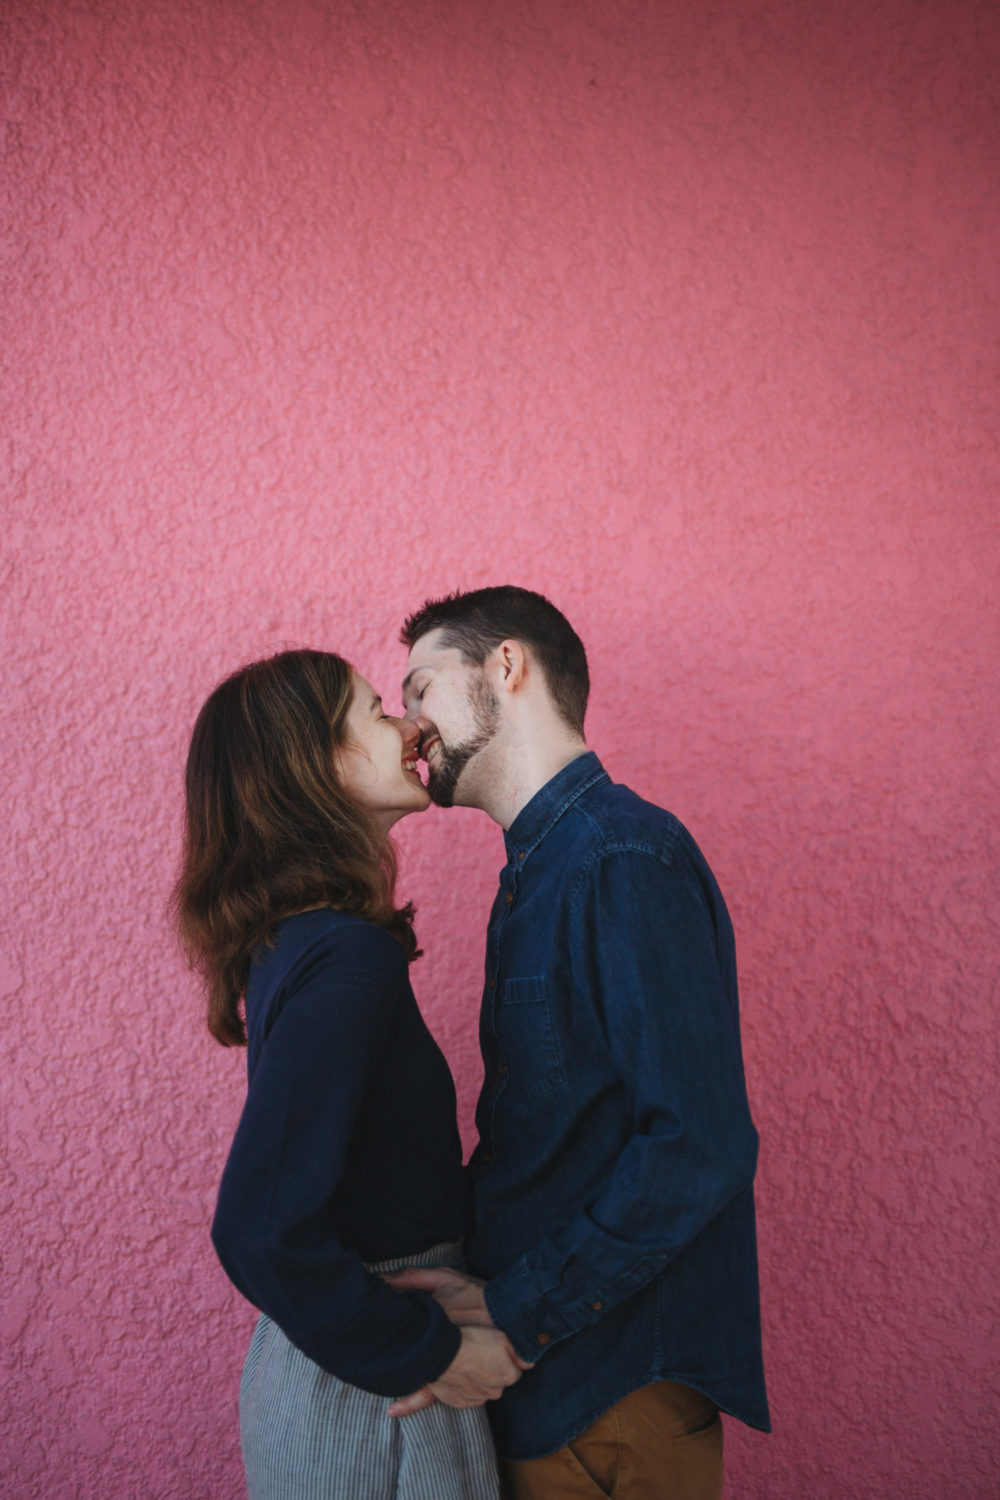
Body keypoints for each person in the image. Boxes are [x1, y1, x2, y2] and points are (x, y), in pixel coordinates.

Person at [387, 588, 770, 1500]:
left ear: (507, 667)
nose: (409, 727)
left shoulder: (620, 857)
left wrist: (519, 1312)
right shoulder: (538, 873)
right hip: (558, 1395)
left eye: (420, 688)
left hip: (610, 1403)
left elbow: (699, 1146)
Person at [174, 649, 526, 1500]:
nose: (406, 725)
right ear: (317, 763)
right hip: (379, 1400)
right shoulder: (344, 955)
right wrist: (434, 1353)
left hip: (345, 1369)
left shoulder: (301, 942)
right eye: (374, 711)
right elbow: (259, 1225)